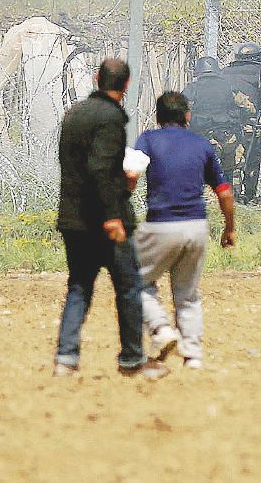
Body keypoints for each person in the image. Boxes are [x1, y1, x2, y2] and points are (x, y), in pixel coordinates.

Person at [53, 58, 169, 380]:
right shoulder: (110, 119)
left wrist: (120, 181)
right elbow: (100, 169)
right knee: (129, 287)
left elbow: (81, 167)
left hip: (73, 218)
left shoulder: (74, 114)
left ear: (96, 78)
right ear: (126, 85)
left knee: (79, 287)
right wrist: (113, 215)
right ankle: (133, 359)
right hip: (105, 222)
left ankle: (66, 357)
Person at [130, 91, 237, 371]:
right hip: (196, 227)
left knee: (135, 281)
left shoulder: (149, 140)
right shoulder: (202, 145)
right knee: (188, 294)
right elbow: (224, 193)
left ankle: (161, 329)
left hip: (160, 225)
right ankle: (193, 355)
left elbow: (130, 174)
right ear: (187, 116)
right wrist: (229, 228)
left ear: (158, 116)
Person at [184, 45, 261, 203]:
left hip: (199, 138)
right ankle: (239, 196)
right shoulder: (232, 84)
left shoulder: (193, 88)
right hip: (228, 135)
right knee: (234, 164)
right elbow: (249, 106)